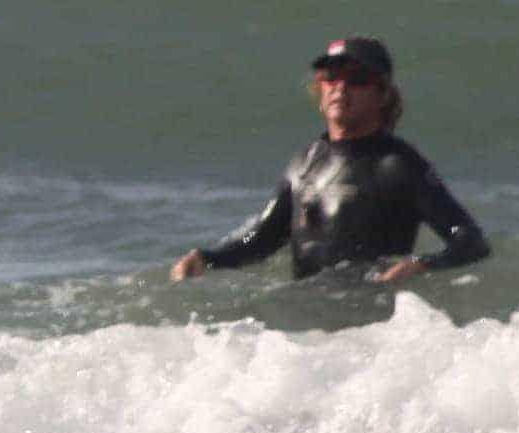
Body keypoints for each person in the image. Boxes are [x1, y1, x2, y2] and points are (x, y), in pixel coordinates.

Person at [170, 37, 488, 284]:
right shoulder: (304, 162)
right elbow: (264, 239)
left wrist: (422, 265)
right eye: (331, 76)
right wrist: (207, 259)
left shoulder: (398, 165)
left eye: (356, 78)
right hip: (311, 322)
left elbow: (470, 241)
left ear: (383, 94)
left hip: (369, 326)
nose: (340, 87)